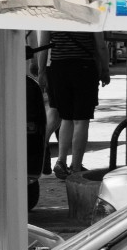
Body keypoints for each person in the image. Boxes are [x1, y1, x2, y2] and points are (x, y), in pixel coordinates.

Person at [43, 28, 110, 178]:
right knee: (81, 119)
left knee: (66, 117)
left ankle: (61, 161)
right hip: (84, 67)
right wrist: (105, 69)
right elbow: (100, 45)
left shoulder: (53, 18)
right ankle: (76, 167)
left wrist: (42, 72)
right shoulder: (91, 17)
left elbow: (44, 45)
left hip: (58, 68)